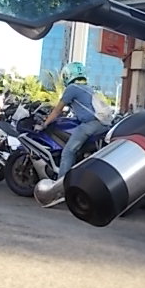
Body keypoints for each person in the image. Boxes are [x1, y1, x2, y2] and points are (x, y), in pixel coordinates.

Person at [35, 62, 108, 198]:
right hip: (103, 124)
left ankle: (59, 190)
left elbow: (57, 110)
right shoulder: (88, 88)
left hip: (90, 125)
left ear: (68, 75)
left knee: (68, 152)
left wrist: (45, 124)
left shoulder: (72, 88)